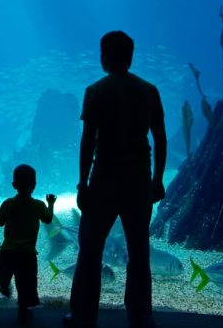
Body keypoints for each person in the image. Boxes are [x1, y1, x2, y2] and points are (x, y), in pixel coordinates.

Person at [64, 31, 167, 328]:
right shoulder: (149, 91)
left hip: (105, 179)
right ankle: (140, 316)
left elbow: (87, 143)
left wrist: (82, 184)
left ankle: (83, 315)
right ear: (131, 57)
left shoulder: (96, 91)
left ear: (105, 56)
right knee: (138, 250)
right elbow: (159, 140)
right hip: (138, 179)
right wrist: (157, 179)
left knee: (90, 249)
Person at [0, 164, 56, 325]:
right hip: (27, 254)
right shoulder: (38, 205)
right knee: (26, 283)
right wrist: (51, 203)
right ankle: (23, 311)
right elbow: (48, 219)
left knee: (6, 268)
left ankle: (1, 277)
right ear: (34, 185)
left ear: (14, 185)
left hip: (7, 251)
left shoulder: (8, 203)